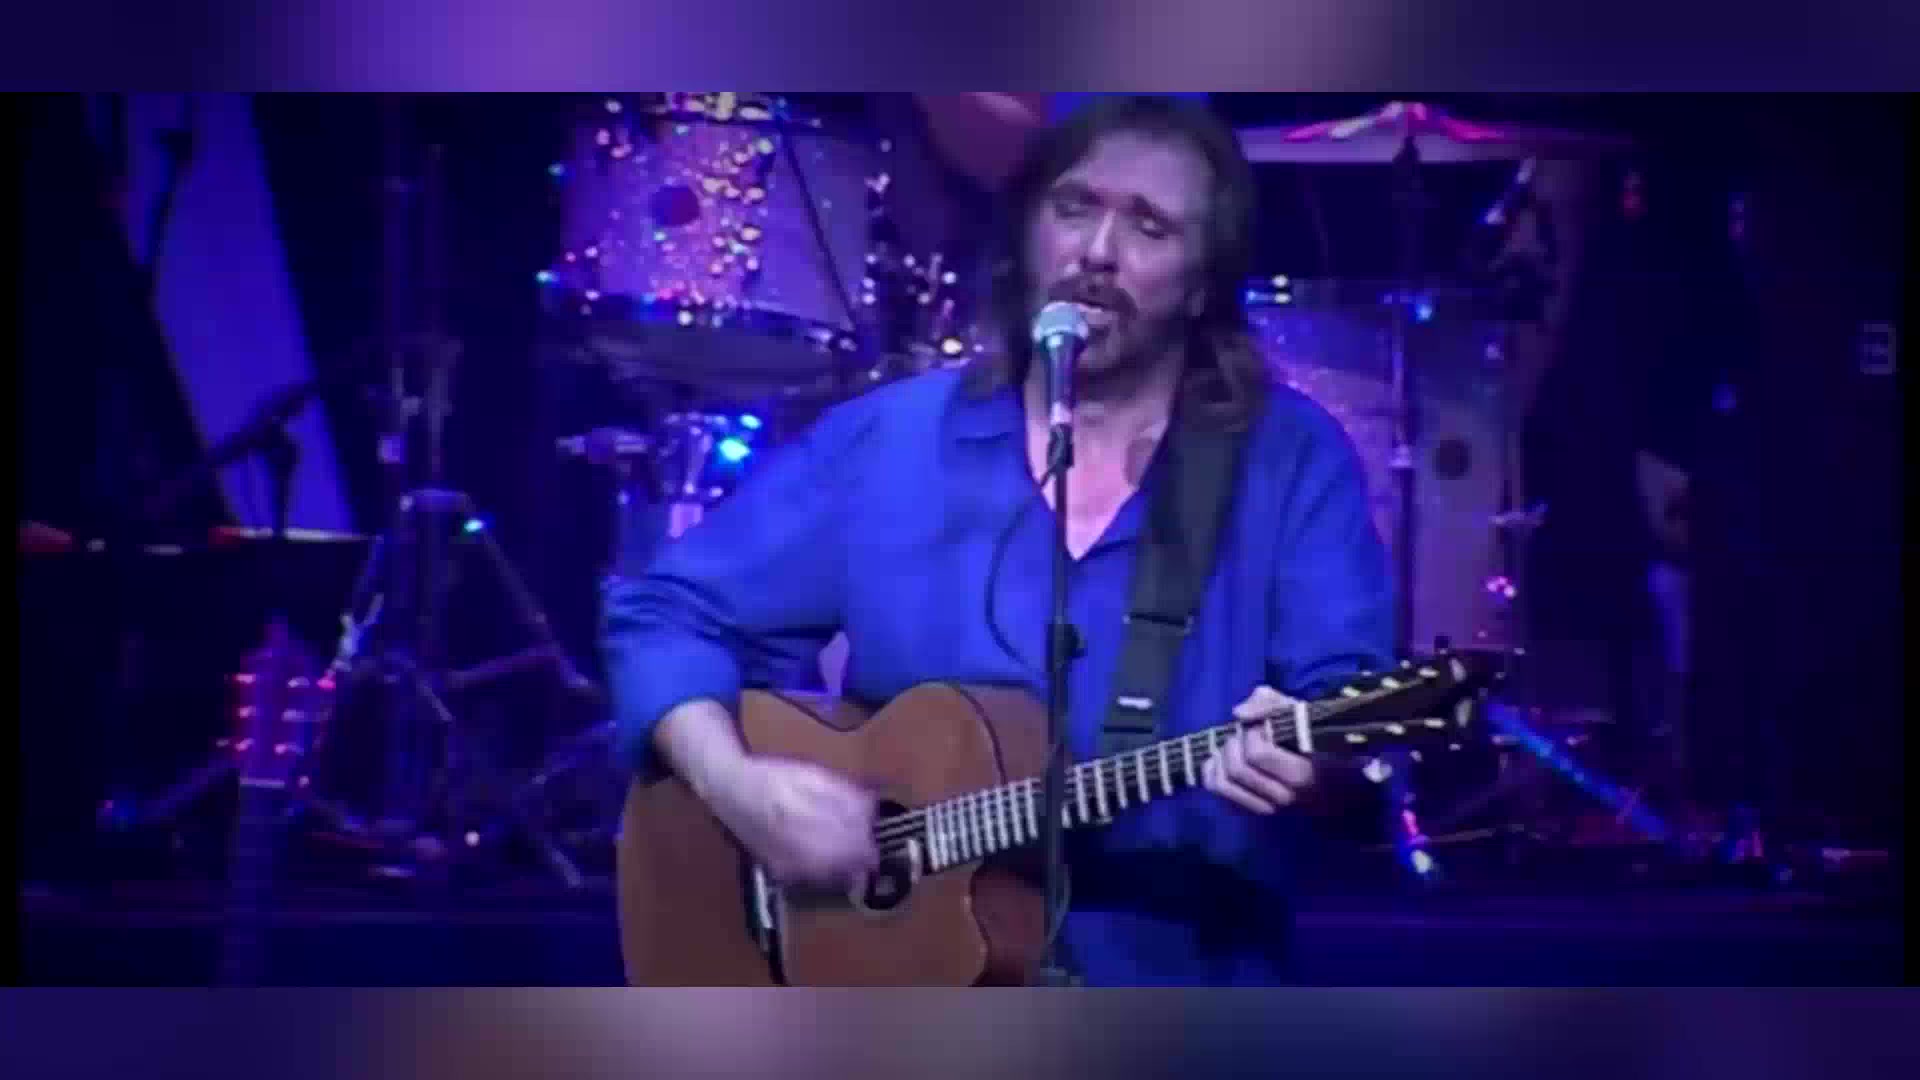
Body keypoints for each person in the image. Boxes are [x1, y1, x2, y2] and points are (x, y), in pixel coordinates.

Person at [602, 95, 1396, 986]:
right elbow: (666, 613)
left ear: (1203, 283)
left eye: (1149, 227)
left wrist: (1321, 761)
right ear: (1026, 231)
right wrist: (742, 789)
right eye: (1074, 207)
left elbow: (1352, 723)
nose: (1097, 252)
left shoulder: (1287, 461)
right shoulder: (892, 440)